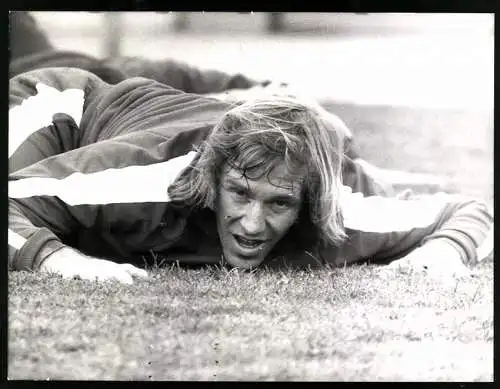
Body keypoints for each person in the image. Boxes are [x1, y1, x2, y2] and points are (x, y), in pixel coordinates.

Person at [8, 67, 493, 285]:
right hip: (64, 111)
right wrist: (62, 261)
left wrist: (445, 252)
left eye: (278, 203)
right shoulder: (154, 175)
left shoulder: (343, 203)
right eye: (239, 193)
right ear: (214, 177)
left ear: (310, 201)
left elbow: (471, 210)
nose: (252, 225)